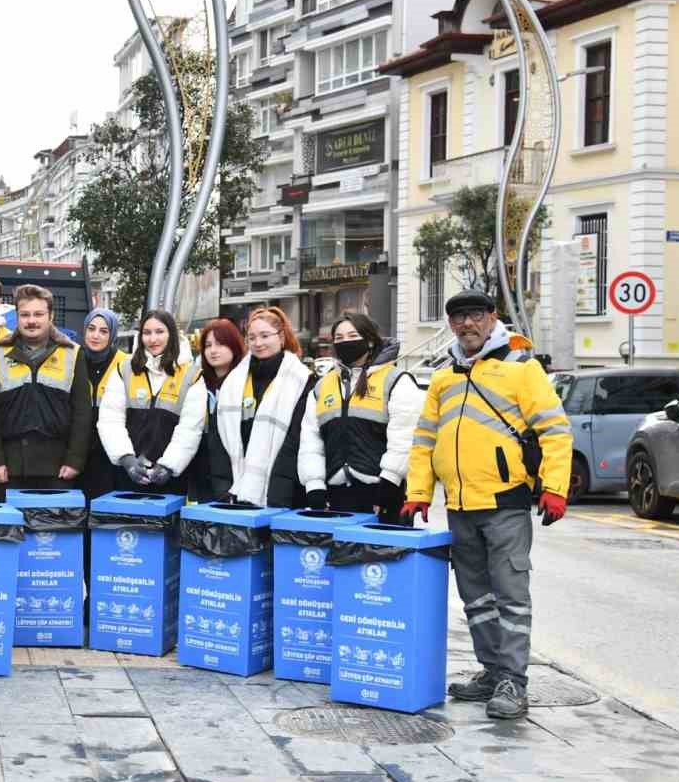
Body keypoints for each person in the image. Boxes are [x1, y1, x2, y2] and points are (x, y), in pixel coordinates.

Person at [402, 289, 573, 721]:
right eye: (458, 318)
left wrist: (555, 487)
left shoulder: (521, 369)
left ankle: (514, 681)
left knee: (511, 597)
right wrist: (418, 492)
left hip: (505, 505)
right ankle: (492, 671)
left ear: (492, 317)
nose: (466, 324)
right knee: (475, 598)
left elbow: (554, 431)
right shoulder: (445, 377)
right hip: (459, 505)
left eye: (475, 315)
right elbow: (424, 440)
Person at [297, 313, 421, 517]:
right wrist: (314, 487)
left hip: (383, 494)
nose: (346, 342)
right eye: (339, 338)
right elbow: (310, 442)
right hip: (335, 496)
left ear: (370, 340)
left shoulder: (395, 380)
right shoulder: (322, 386)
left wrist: (390, 483)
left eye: (352, 335)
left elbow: (406, 437)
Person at [0, 284, 91, 493]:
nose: (31, 321)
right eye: (25, 315)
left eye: (39, 314)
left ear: (51, 316)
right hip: (10, 467)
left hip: (59, 468)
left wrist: (75, 460)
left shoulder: (73, 353)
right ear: (17, 317)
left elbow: (82, 413)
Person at [97, 309, 206, 494]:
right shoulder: (124, 370)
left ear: (171, 334)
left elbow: (190, 429)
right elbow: (110, 419)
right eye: (147, 333)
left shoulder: (191, 375)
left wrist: (168, 466)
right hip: (127, 474)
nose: (153, 339)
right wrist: (127, 459)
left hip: (170, 481)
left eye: (159, 332)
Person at [218, 306, 316, 508]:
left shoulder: (301, 379)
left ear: (281, 337)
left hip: (283, 488)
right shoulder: (235, 380)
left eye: (264, 336)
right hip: (237, 487)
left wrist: (279, 492)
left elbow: (297, 438)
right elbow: (220, 435)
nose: (258, 343)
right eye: (251, 337)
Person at [188, 318, 244, 502]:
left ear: (234, 346)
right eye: (208, 345)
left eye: (220, 344)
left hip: (235, 477)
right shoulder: (198, 383)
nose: (213, 351)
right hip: (202, 475)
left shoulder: (245, 383)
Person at [76, 307, 126, 499]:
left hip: (110, 454)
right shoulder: (73, 359)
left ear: (112, 334)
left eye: (103, 331)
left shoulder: (125, 364)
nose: (95, 335)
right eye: (91, 329)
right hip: (79, 450)